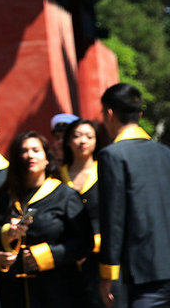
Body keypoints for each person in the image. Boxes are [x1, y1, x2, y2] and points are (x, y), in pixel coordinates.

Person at [98, 83, 170, 307]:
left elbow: (113, 218)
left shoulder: (112, 155)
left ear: (109, 114)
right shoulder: (166, 153)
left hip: (147, 273)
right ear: (139, 114)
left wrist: (108, 273)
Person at [0, 131, 92, 308]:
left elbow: (84, 241)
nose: (30, 155)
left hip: (58, 292)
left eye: (36, 150)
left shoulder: (65, 196)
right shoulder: (3, 197)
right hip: (12, 294)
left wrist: (48, 255)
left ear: (46, 158)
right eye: (24, 151)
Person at [60, 119, 113, 308]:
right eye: (77, 136)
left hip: (100, 256)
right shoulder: (57, 175)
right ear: (67, 141)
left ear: (96, 141)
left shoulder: (107, 171)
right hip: (65, 259)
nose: (83, 141)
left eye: (89, 137)